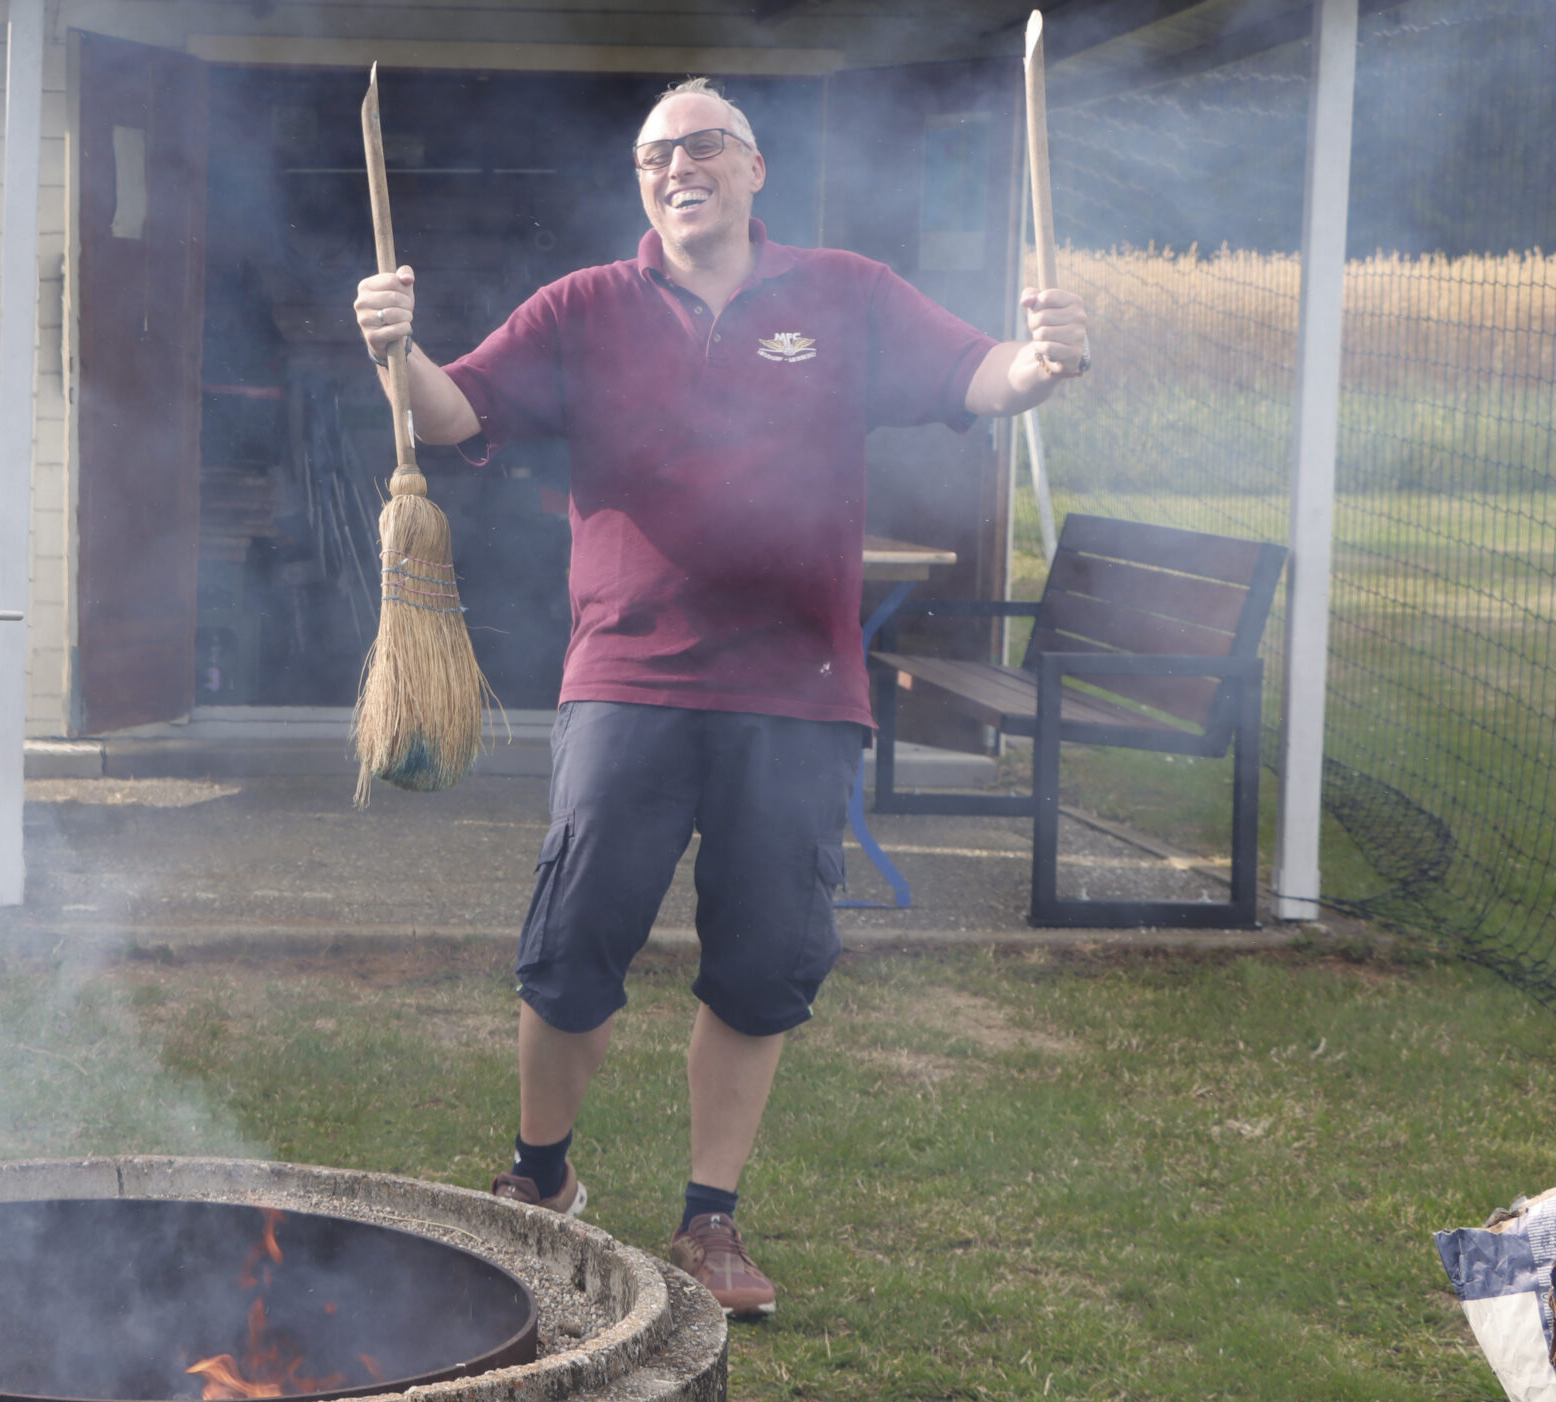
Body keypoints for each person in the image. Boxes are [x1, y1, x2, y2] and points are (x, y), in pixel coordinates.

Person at [350, 78, 1088, 1317]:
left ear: (753, 168)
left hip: (798, 689)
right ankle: (540, 1176)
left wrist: (1043, 360)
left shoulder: (844, 293)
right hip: (628, 675)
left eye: (701, 146)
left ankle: (710, 1220)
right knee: (571, 941)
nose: (676, 167)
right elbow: (455, 409)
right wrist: (395, 348)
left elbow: (980, 374)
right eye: (654, 155)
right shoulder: (586, 305)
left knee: (760, 960)